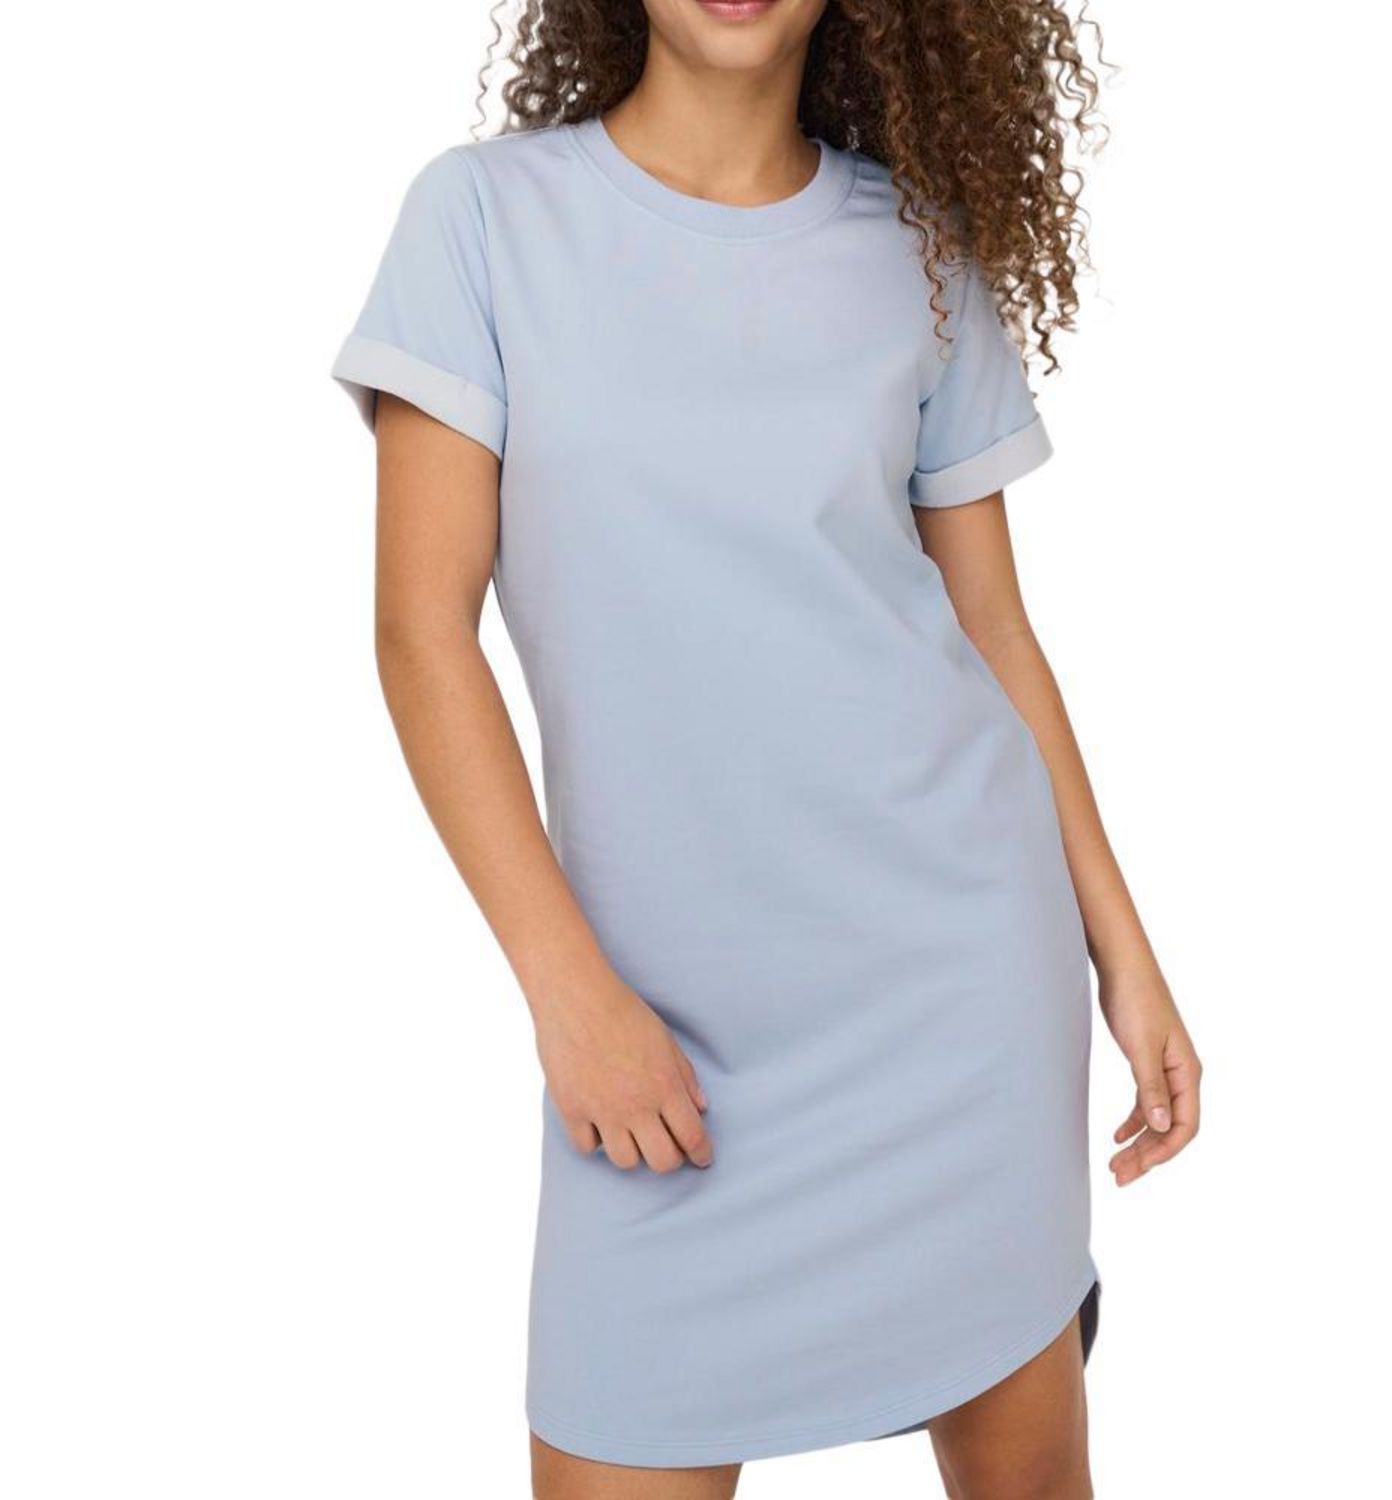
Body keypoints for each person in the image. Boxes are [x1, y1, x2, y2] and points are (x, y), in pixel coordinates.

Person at [331, 2, 1201, 1495]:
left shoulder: (916, 245)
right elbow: (423, 635)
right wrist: (570, 995)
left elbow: (994, 628)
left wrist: (1124, 952)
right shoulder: (482, 219)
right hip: (654, 1033)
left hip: (956, 1007)